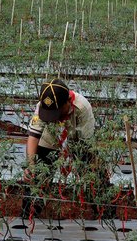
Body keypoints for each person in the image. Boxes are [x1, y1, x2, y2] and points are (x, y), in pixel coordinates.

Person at [23, 78, 99, 218]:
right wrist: (31, 165)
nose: (54, 118)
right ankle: (29, 215)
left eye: (56, 113)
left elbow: (85, 144)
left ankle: (102, 211)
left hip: (77, 140)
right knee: (38, 177)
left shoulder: (82, 107)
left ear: (67, 102)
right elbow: (33, 136)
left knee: (93, 176)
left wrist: (73, 161)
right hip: (49, 140)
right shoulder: (44, 104)